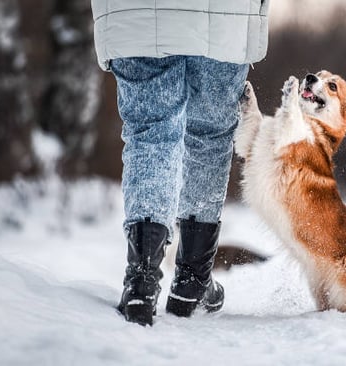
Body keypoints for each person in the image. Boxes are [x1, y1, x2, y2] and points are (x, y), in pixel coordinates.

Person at [90, 1, 270, 326]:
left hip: (135, 13)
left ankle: (141, 282)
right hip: (224, 14)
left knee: (150, 130)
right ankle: (193, 280)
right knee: (209, 134)